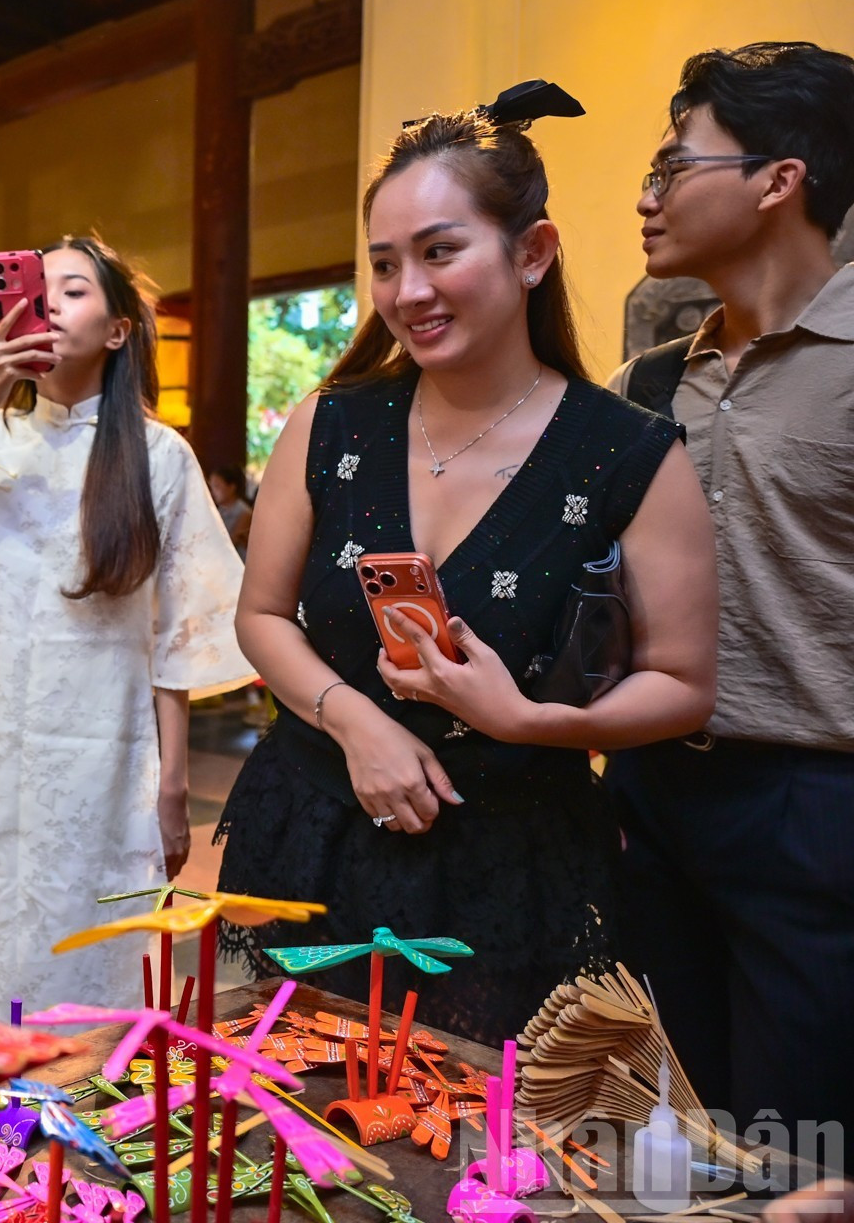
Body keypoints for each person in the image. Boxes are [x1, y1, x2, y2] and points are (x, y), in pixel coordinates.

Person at [214, 93, 719, 1046]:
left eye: (441, 252)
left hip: (510, 863)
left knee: (478, 1167)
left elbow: (685, 684)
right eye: (385, 263)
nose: (408, 290)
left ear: (532, 254)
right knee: (286, 1137)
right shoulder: (332, 423)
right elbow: (263, 616)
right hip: (310, 831)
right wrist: (354, 720)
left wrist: (532, 722)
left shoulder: (627, 454)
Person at [0, 236, 251, 1017]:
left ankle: (80, 1110)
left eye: (74, 290)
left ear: (118, 330)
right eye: (37, 286)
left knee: (92, 941)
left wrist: (174, 785)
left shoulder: (159, 455)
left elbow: (179, 632)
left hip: (104, 752)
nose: (49, 301)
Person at [608, 42, 854, 1129]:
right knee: (659, 1136)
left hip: (817, 805)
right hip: (650, 796)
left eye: (674, 167)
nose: (646, 197)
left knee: (798, 1144)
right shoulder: (649, 384)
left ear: (778, 179)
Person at [205, 464, 254, 556]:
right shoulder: (218, 510)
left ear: (231, 487)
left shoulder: (244, 512)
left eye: (217, 486)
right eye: (211, 487)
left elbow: (230, 543)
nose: (212, 492)